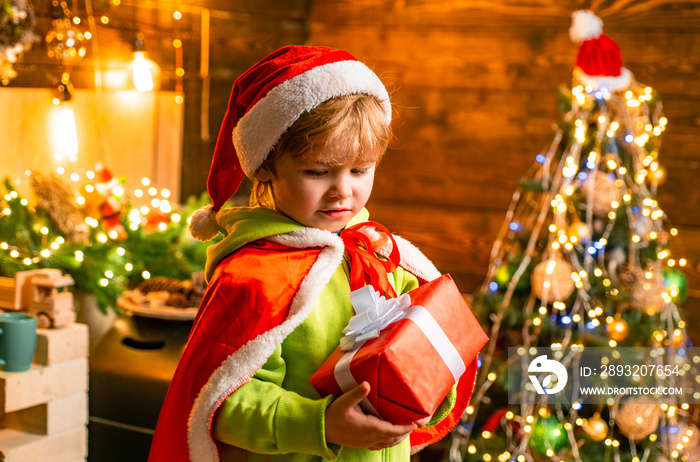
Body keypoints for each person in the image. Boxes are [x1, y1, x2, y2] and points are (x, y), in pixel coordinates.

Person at [148, 45, 479, 462]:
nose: (343, 191)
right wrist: (321, 423)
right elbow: (222, 403)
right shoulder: (252, 278)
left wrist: (431, 389)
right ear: (267, 165)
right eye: (318, 172)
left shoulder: (377, 254)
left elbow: (427, 354)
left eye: (360, 170)